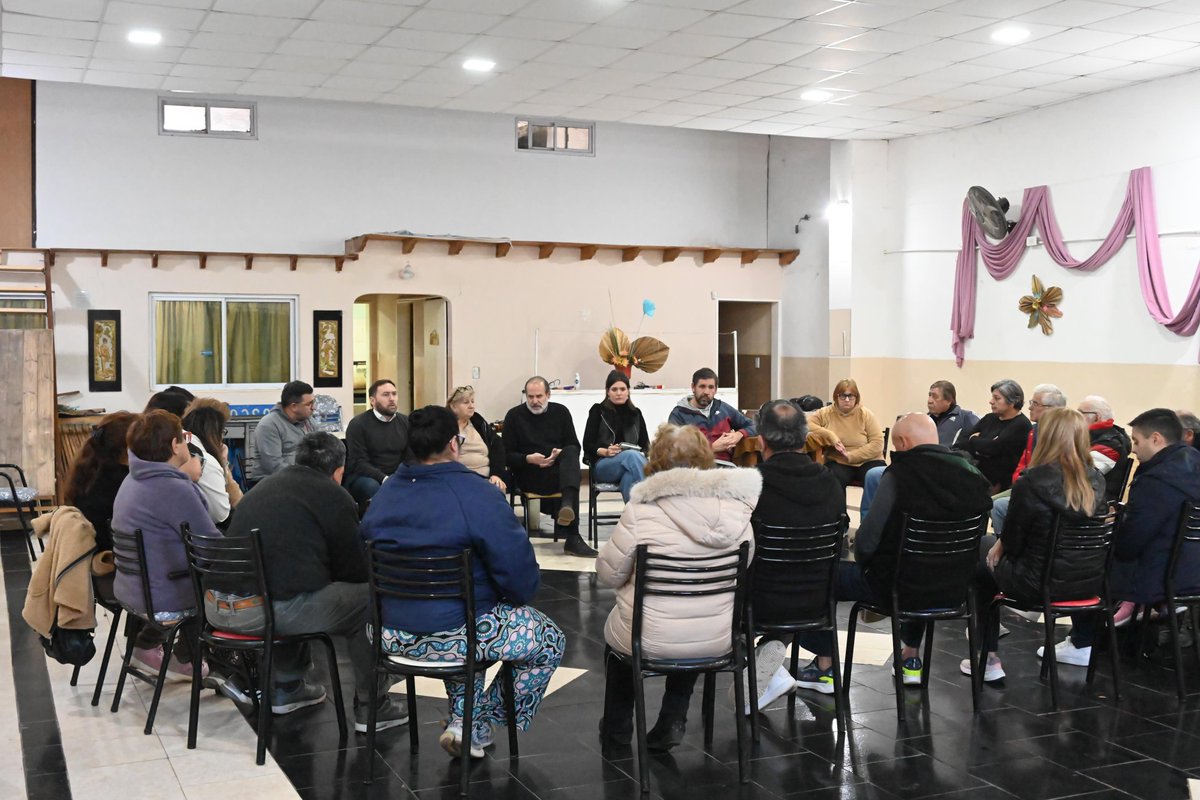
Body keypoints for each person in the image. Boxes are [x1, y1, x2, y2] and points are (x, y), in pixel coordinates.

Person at [361, 406, 563, 759]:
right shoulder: (476, 492)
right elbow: (519, 575)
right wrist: (507, 595)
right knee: (547, 640)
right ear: (455, 444)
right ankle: (476, 721)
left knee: (465, 619)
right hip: (456, 635)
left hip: (386, 632)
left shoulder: (384, 494)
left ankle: (462, 722)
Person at [217, 432, 407, 729]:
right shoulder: (333, 495)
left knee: (300, 588)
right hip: (262, 611)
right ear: (339, 471)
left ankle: (288, 686)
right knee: (367, 598)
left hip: (217, 607)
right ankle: (373, 705)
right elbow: (355, 570)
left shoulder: (264, 487)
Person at [795, 414, 992, 692]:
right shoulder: (973, 474)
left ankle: (824, 665)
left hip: (896, 588)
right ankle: (910, 658)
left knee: (821, 573)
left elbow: (866, 543)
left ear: (901, 442)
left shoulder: (900, 475)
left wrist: (861, 557)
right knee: (923, 565)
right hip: (955, 589)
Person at [596, 424, 759, 752]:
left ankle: (616, 729)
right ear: (705, 458)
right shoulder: (737, 510)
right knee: (691, 620)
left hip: (650, 639)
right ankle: (672, 716)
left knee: (622, 645)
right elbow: (747, 563)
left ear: (655, 459)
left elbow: (609, 575)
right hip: (716, 636)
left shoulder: (641, 511)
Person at [962, 408, 1108, 681]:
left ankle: (988, 657)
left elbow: (1015, 545)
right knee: (988, 550)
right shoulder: (1097, 481)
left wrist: (1000, 544)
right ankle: (1082, 642)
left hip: (1036, 583)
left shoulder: (1031, 482)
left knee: (981, 553)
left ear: (1045, 437)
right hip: (1088, 583)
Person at [1056, 409, 1200, 655]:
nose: (1133, 449)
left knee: (1083, 563)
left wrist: (1113, 529)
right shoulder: (1192, 464)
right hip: (1191, 570)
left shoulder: (1156, 480)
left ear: (1156, 439)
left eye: (1136, 441)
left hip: (1163, 576)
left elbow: (1129, 544)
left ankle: (1083, 643)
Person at [747, 400, 846, 711]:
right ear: (806, 439)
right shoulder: (831, 482)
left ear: (761, 441)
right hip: (819, 598)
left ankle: (760, 667)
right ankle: (770, 665)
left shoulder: (751, 484)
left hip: (759, 601)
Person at [112, 410, 219, 679]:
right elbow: (211, 546)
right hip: (162, 595)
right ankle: (189, 657)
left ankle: (147, 645)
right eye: (183, 438)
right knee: (232, 580)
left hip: (131, 588)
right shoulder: (172, 488)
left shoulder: (132, 479)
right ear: (174, 445)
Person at [503, 376, 595, 557]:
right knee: (571, 481)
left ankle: (566, 506)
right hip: (530, 474)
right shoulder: (514, 416)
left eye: (539, 396)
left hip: (557, 470)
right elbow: (506, 456)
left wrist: (557, 455)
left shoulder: (561, 412)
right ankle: (573, 536)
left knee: (569, 452)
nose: (535, 401)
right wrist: (529, 459)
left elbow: (575, 447)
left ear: (548, 395)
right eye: (530, 397)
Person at [63, 411, 138, 602]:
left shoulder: (88, 473)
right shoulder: (126, 482)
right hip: (117, 569)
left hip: (94, 564)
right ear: (129, 447)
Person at [989, 384, 1065, 535]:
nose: (1029, 408)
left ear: (1051, 409)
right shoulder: (1035, 429)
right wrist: (1019, 482)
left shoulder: (1058, 435)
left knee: (996, 506)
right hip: (1026, 484)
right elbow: (1024, 462)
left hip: (1043, 490)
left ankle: (1005, 545)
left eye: (1035, 404)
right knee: (988, 503)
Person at [582, 370, 650, 502]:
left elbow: (645, 445)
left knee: (629, 477)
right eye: (614, 389)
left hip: (632, 465)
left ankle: (634, 516)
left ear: (628, 391)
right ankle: (649, 509)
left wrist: (644, 453)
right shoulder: (598, 411)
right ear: (608, 391)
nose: (619, 393)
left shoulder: (636, 414)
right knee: (631, 456)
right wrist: (605, 451)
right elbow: (587, 444)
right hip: (604, 465)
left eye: (622, 389)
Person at [342, 379, 412, 506]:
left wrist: (402, 475)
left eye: (394, 394)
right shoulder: (358, 424)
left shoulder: (406, 422)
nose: (392, 399)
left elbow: (410, 456)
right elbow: (358, 462)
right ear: (372, 401)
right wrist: (384, 478)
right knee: (372, 487)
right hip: (367, 477)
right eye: (386, 395)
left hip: (397, 474)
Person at [806, 379, 886, 489]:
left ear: (856, 398)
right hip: (839, 461)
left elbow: (877, 443)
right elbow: (807, 424)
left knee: (876, 477)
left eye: (851, 396)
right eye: (843, 396)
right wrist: (830, 435)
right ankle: (837, 507)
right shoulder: (825, 413)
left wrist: (851, 456)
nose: (847, 400)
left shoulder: (866, 414)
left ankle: (871, 507)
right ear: (836, 397)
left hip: (868, 460)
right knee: (831, 478)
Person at [957, 379, 1032, 494]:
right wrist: (981, 445)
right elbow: (964, 443)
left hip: (997, 482)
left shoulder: (1021, 425)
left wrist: (975, 439)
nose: (991, 402)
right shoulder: (989, 418)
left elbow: (994, 448)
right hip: (974, 473)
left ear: (1012, 402)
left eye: (997, 398)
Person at [667, 367, 756, 462]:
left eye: (711, 387)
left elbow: (755, 425)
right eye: (702, 386)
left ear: (716, 390)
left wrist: (739, 434)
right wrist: (711, 448)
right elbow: (673, 448)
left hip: (725, 467)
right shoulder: (679, 414)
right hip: (693, 468)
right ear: (693, 387)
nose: (706, 392)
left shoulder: (723, 409)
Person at [182, 398, 242, 526]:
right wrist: (223, 465)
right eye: (222, 431)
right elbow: (220, 514)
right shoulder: (206, 461)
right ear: (213, 432)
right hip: (201, 535)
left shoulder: (180, 444)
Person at [447, 385, 507, 492]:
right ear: (453, 406)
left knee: (498, 490)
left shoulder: (478, 422)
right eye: (466, 402)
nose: (471, 406)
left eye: (473, 401)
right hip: (458, 480)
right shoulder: (445, 426)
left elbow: (497, 447)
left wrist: (496, 475)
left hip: (485, 479)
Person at [253, 380, 316, 480]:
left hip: (302, 479)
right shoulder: (269, 425)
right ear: (294, 406)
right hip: (271, 482)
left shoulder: (309, 422)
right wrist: (305, 477)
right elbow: (274, 465)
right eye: (309, 404)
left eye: (314, 402)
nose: (314, 408)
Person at [1077, 395, 1132, 502]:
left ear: (1096, 417)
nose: (1076, 418)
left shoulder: (1111, 443)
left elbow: (1083, 475)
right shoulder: (1089, 437)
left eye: (1080, 413)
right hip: (1081, 499)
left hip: (1095, 503)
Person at [927, 380, 979, 447]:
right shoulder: (926, 419)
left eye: (935, 396)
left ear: (949, 400)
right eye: (929, 395)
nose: (929, 401)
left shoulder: (966, 417)